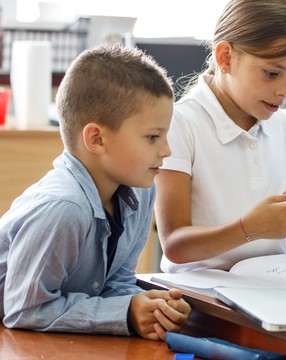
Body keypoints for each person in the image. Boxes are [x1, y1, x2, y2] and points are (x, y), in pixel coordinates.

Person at [0, 44, 191, 340]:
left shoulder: (140, 193)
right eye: (153, 137)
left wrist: (149, 308)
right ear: (97, 139)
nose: (166, 150)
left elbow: (117, 282)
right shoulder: (64, 207)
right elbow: (24, 309)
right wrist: (123, 312)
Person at [155, 0, 286, 273]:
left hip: (274, 283)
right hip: (204, 294)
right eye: (272, 73)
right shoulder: (181, 123)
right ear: (225, 57)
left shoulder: (282, 122)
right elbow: (175, 246)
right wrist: (249, 228)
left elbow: (260, 197)